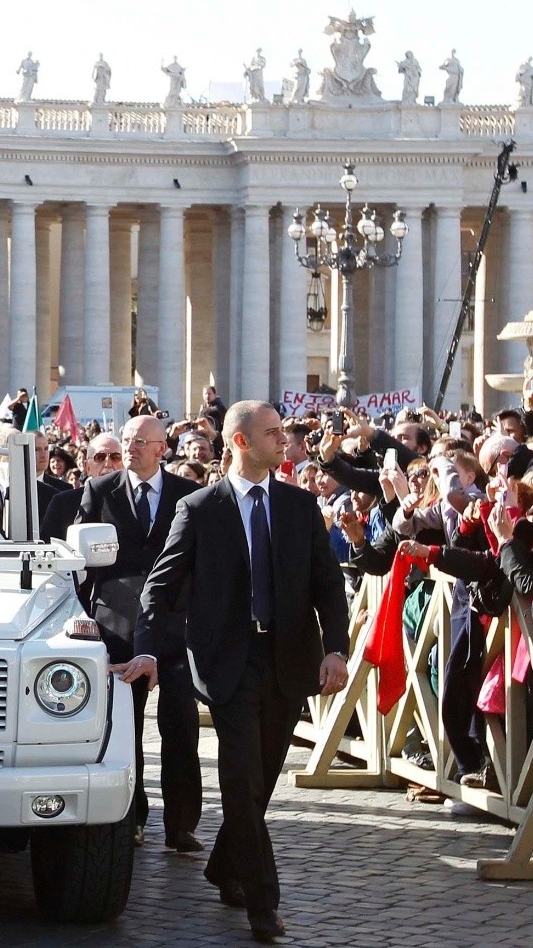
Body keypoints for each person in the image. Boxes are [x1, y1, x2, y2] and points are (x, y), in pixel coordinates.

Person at [118, 400, 349, 943]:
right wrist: (149, 649)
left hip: (289, 660)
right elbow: (159, 587)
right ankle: (263, 903)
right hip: (227, 663)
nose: (284, 442)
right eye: (272, 433)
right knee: (240, 776)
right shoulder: (200, 508)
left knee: (262, 779)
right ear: (241, 442)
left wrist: (335, 649)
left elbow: (327, 583)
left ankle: (226, 865)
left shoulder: (299, 506)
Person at [76, 415, 202, 851]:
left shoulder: (189, 495)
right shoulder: (99, 491)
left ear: (161, 448)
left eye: (139, 441)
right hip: (117, 627)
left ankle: (182, 823)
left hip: (176, 628)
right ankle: (131, 816)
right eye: (126, 439)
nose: (130, 448)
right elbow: (81, 561)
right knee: (122, 731)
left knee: (182, 728)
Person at [43, 431, 122, 541]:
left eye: (115, 457)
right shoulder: (62, 503)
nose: (108, 464)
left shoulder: (135, 501)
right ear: (87, 466)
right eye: (100, 458)